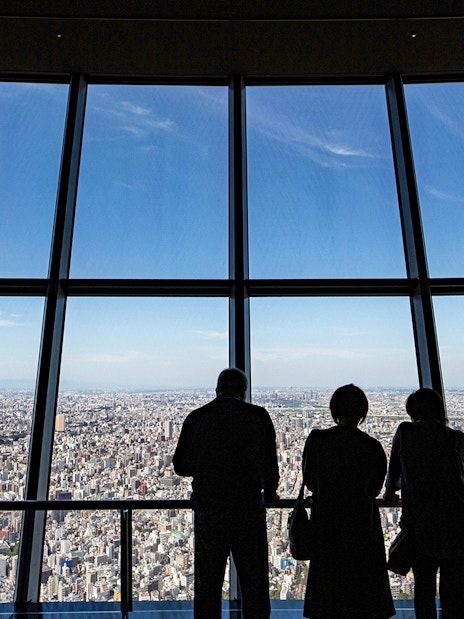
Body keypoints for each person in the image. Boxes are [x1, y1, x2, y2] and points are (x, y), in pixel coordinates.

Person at [173, 368, 279, 619]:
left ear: (216, 389)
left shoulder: (197, 418)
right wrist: (271, 491)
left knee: (208, 584)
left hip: (209, 511)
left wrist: (206, 466)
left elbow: (180, 465)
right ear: (243, 392)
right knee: (254, 585)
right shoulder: (258, 416)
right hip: (248, 510)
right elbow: (270, 464)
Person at [302, 384, 395, 619]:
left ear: (335, 409)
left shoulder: (317, 441)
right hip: (362, 525)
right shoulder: (373, 447)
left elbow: (310, 482)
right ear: (362, 412)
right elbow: (374, 488)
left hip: (327, 524)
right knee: (362, 593)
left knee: (328, 592)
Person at [384, 388, 464, 619]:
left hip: (421, 526)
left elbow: (394, 474)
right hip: (456, 524)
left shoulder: (406, 431)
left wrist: (390, 493)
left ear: (412, 411)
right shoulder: (456, 438)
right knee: (453, 592)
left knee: (424, 590)